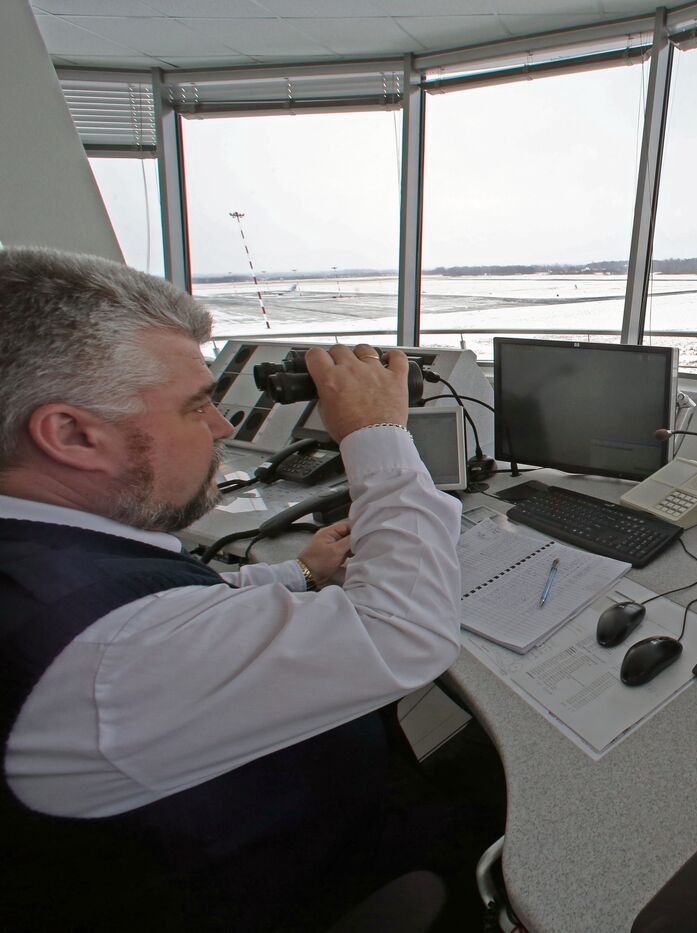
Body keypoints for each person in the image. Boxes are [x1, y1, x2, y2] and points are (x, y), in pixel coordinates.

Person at [0, 247, 498, 931]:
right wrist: (378, 437)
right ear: (71, 434)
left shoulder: (47, 557)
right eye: (196, 405)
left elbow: (175, 606)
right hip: (305, 867)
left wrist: (295, 573)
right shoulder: (108, 654)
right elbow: (405, 634)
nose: (223, 427)